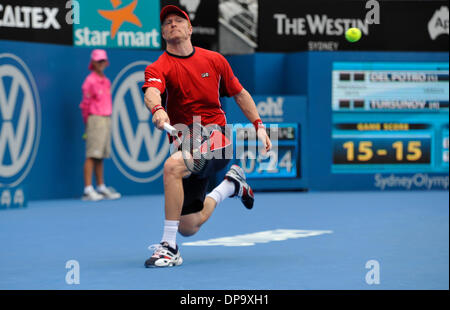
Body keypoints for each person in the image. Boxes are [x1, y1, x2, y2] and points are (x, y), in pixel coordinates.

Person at [142, 5, 271, 267]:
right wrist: (157, 109)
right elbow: (152, 92)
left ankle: (169, 247)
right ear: (163, 33)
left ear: (190, 29)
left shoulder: (214, 60)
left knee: (171, 166)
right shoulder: (158, 67)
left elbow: (239, 93)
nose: (172, 24)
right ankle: (231, 186)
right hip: (186, 144)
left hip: (216, 138)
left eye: (179, 20)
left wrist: (258, 123)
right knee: (189, 226)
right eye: (167, 23)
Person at [80, 49, 121, 201]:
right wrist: (87, 123)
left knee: (100, 156)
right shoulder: (89, 81)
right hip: (95, 119)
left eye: (103, 61)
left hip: (106, 119)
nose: (101, 63)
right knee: (92, 154)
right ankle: (87, 189)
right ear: (93, 63)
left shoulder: (106, 81)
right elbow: (85, 105)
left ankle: (101, 186)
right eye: (98, 61)